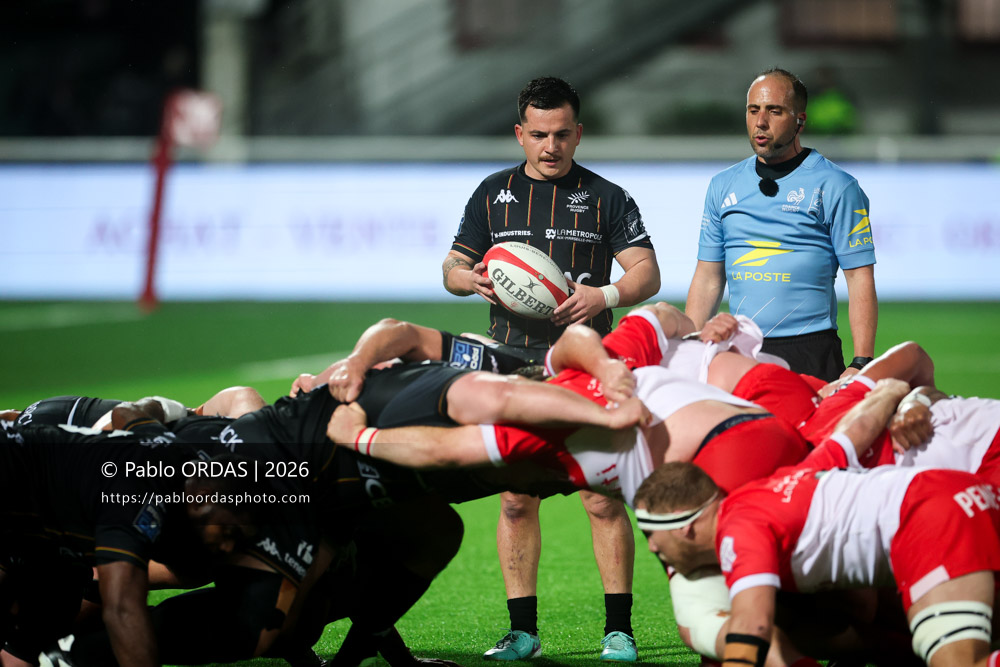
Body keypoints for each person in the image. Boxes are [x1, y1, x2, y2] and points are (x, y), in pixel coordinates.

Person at [441, 75, 661, 662]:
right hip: (511, 364)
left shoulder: (607, 196)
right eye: (538, 134)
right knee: (516, 499)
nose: (551, 146)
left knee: (600, 499)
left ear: (579, 133)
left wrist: (606, 297)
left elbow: (647, 273)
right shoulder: (492, 193)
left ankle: (619, 631)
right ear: (519, 133)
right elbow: (452, 268)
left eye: (562, 134)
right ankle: (522, 633)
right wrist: (467, 280)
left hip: (589, 367)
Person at [633, 379, 1000, 667]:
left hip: (929, 522)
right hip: (960, 491)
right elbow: (853, 433)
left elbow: (752, 627)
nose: (651, 547)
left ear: (685, 527)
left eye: (651, 534)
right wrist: (891, 390)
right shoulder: (773, 487)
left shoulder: (737, 531)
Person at [685, 67, 878, 381]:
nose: (760, 122)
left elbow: (859, 277)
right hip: (740, 351)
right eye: (753, 110)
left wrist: (860, 362)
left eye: (774, 111)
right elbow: (708, 276)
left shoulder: (838, 186)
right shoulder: (722, 185)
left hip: (812, 352)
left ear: (800, 120)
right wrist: (688, 345)